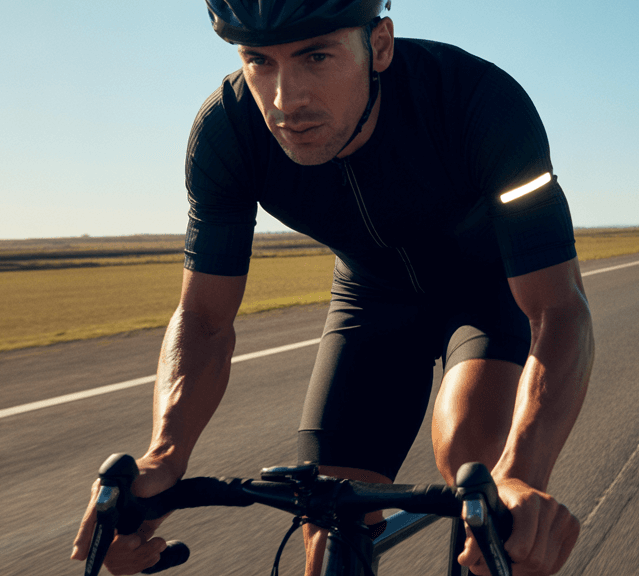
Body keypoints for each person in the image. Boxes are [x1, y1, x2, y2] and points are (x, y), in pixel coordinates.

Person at [70, 0, 594, 574]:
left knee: (476, 456)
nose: (285, 100)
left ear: (380, 45)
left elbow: (558, 309)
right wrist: (165, 456)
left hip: (487, 291)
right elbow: (203, 319)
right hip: (372, 297)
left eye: (315, 57)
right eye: (258, 61)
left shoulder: (479, 102)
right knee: (328, 522)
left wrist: (522, 473)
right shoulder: (229, 132)